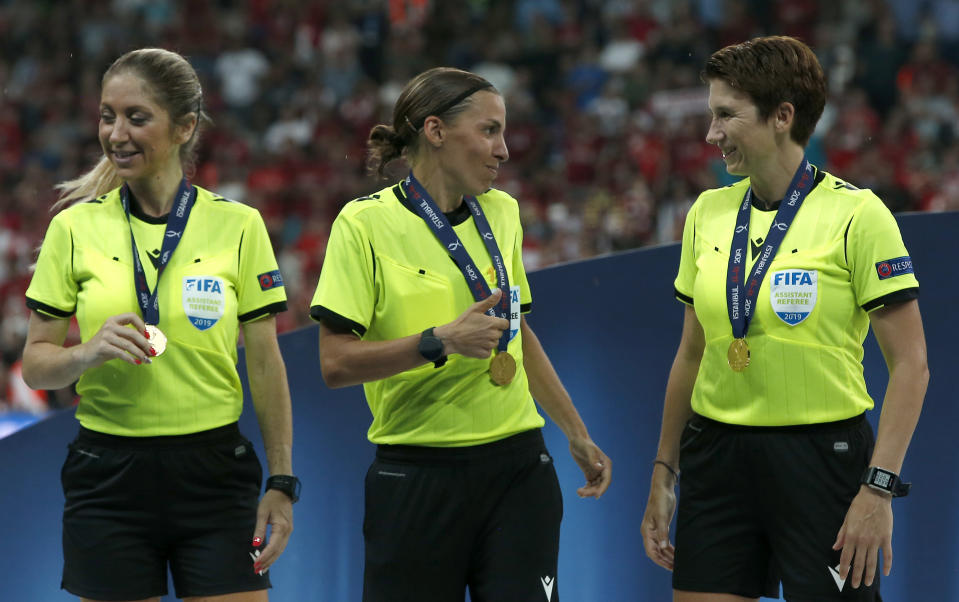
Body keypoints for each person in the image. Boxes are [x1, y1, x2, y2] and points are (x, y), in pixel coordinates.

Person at [640, 36, 929, 601]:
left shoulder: (858, 214)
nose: (711, 134)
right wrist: (664, 471)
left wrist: (878, 490)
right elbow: (691, 356)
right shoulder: (707, 213)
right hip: (717, 457)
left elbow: (912, 365)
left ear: (782, 117)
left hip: (822, 462)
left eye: (726, 115)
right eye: (711, 114)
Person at [310, 66, 611, 602]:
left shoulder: (505, 212)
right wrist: (439, 342)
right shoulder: (362, 225)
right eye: (489, 130)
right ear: (436, 131)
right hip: (416, 475)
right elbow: (335, 363)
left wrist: (574, 430)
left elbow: (516, 332)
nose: (504, 150)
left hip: (519, 468)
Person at [21, 48, 298, 602]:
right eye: (107, 115)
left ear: (185, 127)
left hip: (215, 477)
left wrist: (283, 483)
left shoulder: (239, 226)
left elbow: (266, 363)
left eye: (136, 117)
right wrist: (84, 353)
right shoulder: (73, 229)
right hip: (109, 479)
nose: (116, 133)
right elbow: (36, 365)